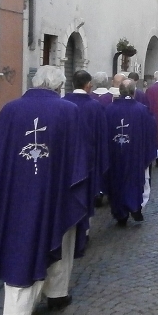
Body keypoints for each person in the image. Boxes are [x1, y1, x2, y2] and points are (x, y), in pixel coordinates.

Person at [0, 65, 88, 315]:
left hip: (16, 196)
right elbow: (78, 161)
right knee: (61, 238)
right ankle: (57, 295)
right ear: (58, 85)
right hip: (57, 194)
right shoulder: (68, 111)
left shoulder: (9, 110)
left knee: (18, 246)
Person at [105, 79, 157, 226]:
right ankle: (135, 206)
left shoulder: (109, 109)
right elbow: (151, 131)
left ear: (119, 91)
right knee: (135, 179)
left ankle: (120, 214)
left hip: (114, 154)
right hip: (136, 154)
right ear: (134, 92)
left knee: (116, 180)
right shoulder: (142, 109)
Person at [63, 70, 109, 217]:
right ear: (89, 85)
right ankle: (85, 229)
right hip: (90, 158)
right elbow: (102, 134)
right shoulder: (95, 107)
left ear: (71, 83)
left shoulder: (63, 103)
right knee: (86, 191)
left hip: (66, 157)